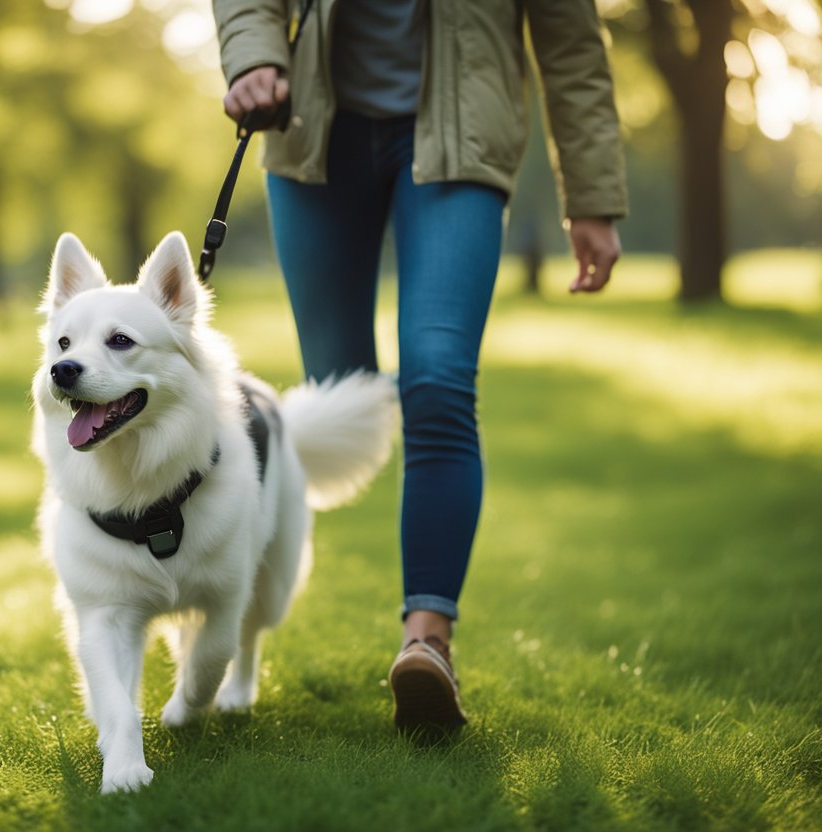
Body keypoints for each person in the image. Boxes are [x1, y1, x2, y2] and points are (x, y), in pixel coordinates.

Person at [211, 0, 627, 730]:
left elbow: (572, 44)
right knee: (342, 399)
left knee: (438, 380)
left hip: (459, 141)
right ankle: (219, 597)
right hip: (316, 134)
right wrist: (253, 56)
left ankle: (427, 641)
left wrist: (592, 196)